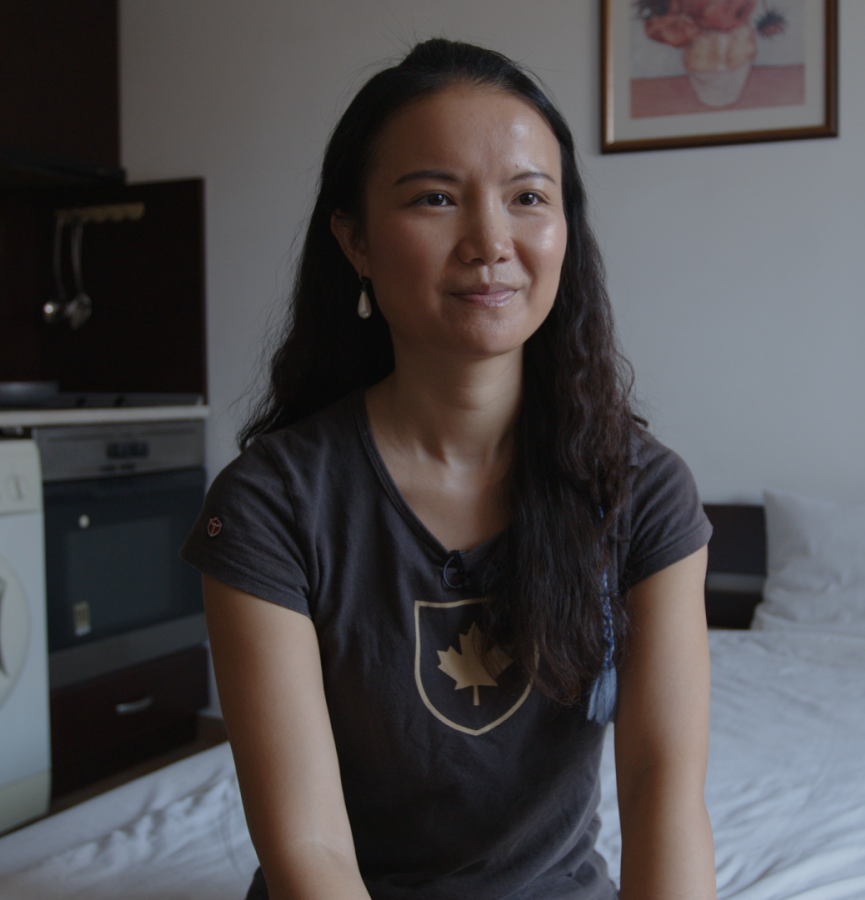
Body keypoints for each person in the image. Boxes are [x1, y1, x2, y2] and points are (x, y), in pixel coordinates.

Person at [180, 38, 715, 900]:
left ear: (565, 231)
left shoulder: (642, 491)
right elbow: (309, 848)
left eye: (528, 198)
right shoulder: (269, 506)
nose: (490, 241)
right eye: (434, 197)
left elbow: (662, 790)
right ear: (353, 240)